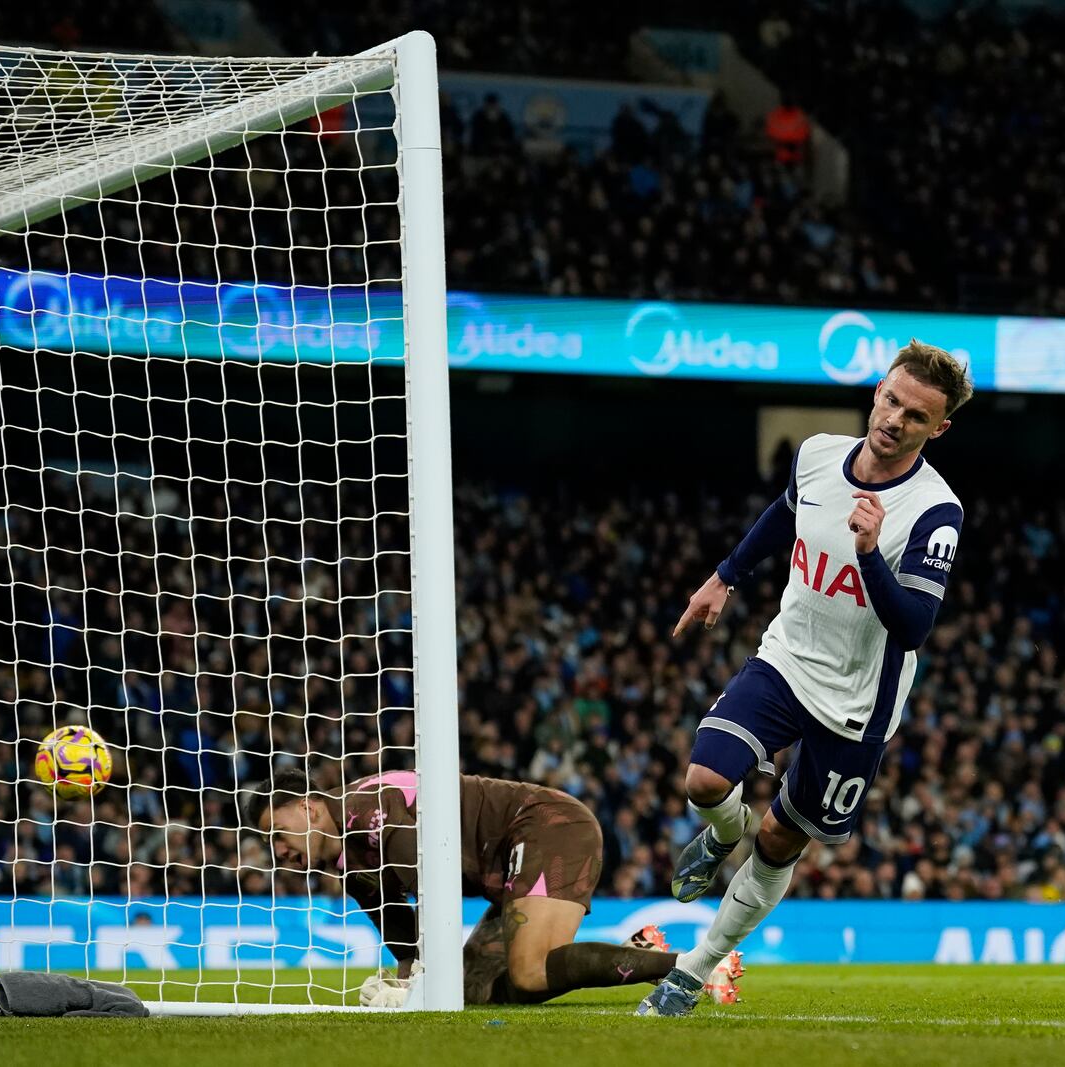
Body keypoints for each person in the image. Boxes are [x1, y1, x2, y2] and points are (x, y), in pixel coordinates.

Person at [637, 340, 973, 1016]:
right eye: (891, 400)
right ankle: (721, 833)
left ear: (938, 429)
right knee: (704, 779)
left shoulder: (936, 512)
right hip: (787, 658)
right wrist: (724, 575)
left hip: (857, 701)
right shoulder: (818, 451)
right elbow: (785, 515)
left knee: (782, 837)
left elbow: (912, 628)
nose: (893, 419)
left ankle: (696, 968)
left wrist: (871, 553)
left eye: (915, 416)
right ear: (878, 389)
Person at [251, 769, 741, 1005]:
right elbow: (402, 933)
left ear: (309, 808)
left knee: (527, 974)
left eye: (278, 833)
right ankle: (633, 953)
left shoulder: (370, 808)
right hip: (511, 864)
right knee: (469, 994)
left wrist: (414, 985)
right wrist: (408, 982)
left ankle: (693, 967)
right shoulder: (346, 858)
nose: (279, 852)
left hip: (547, 827)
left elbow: (432, 897)